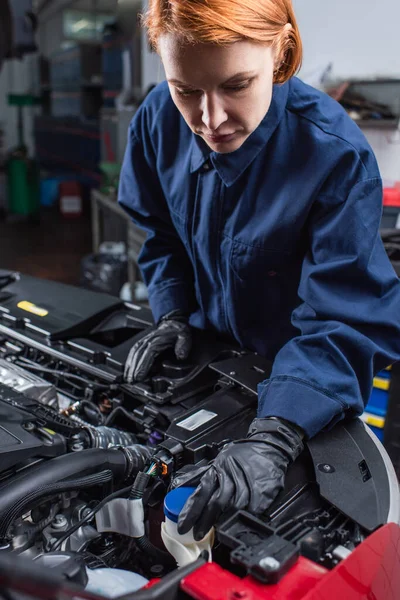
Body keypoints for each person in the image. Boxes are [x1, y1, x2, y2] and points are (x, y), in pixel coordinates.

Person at [118, 0, 400, 541]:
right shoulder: (156, 119)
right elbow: (160, 234)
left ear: (281, 51)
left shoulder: (334, 155)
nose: (210, 119)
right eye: (187, 90)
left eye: (236, 84)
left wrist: (277, 433)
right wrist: (173, 311)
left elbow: (346, 319)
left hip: (306, 386)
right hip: (207, 363)